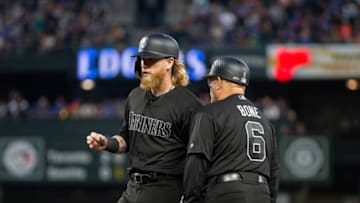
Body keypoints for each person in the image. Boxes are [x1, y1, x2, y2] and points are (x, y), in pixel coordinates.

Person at [86, 33, 202, 203]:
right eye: (142, 59)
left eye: (151, 60)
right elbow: (126, 138)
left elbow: (198, 156)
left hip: (166, 191)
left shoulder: (188, 104)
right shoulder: (136, 96)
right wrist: (107, 143)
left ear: (170, 62)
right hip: (133, 188)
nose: (144, 65)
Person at [183, 56, 279, 203]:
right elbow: (274, 171)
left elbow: (197, 162)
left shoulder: (209, 113)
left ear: (219, 82)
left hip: (226, 192)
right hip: (262, 193)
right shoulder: (264, 120)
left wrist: (191, 199)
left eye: (211, 82)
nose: (210, 88)